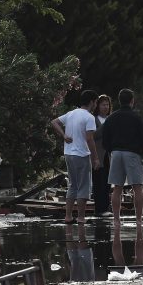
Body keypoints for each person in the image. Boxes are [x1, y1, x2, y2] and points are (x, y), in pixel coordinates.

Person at [102, 88, 143, 233]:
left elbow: (105, 140)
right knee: (137, 187)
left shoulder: (111, 118)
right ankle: (138, 220)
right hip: (132, 154)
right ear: (132, 101)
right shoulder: (136, 118)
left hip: (116, 153)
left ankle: (116, 220)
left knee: (117, 188)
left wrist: (112, 150)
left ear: (119, 100)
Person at [50, 90, 100, 225]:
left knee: (73, 185)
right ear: (91, 102)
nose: (96, 105)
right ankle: (81, 217)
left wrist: (63, 135)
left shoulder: (71, 113)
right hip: (82, 154)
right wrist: (95, 158)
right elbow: (90, 139)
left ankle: (68, 216)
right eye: (96, 102)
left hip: (69, 154)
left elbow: (54, 122)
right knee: (83, 186)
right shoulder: (89, 117)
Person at [92, 95, 112, 216]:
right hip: (97, 154)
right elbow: (93, 136)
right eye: (103, 104)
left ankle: (106, 207)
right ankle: (99, 208)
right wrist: (106, 125)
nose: (105, 107)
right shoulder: (93, 119)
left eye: (107, 104)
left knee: (108, 182)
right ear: (98, 106)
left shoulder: (111, 118)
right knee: (98, 181)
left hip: (109, 155)